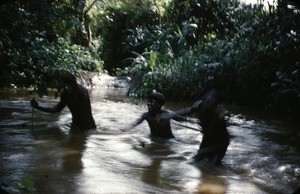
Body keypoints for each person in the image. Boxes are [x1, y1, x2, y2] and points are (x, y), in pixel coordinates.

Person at [173, 89, 230, 166]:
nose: (206, 101)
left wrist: (207, 151)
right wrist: (171, 115)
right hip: (206, 140)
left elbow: (225, 142)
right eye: (206, 98)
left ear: (216, 104)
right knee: (192, 163)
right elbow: (187, 111)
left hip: (218, 146)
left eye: (210, 100)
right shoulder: (199, 106)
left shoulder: (219, 115)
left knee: (212, 168)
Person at [30, 71, 96, 131]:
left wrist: (37, 107)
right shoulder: (68, 93)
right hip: (84, 126)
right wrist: (37, 107)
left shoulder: (79, 93)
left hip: (83, 127)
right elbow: (56, 110)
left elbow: (56, 110)